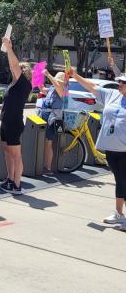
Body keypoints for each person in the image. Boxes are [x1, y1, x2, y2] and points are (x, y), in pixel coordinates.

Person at [69, 59, 126, 229]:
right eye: (119, 82)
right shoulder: (112, 94)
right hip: (111, 147)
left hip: (125, 149)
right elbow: (92, 87)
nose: (120, 84)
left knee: (124, 181)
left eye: (123, 82)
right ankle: (118, 213)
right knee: (119, 181)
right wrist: (75, 75)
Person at [0, 39, 33, 195]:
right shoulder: (14, 84)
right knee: (7, 152)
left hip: (13, 122)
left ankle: (17, 185)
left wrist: (9, 48)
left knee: (16, 155)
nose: (16, 70)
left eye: (21, 68)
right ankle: (10, 180)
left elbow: (14, 65)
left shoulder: (24, 83)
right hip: (6, 121)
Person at [40, 70, 65, 174]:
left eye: (58, 81)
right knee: (45, 142)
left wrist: (48, 75)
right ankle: (44, 165)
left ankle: (48, 167)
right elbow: (41, 89)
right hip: (45, 116)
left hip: (53, 118)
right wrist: (38, 76)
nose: (57, 82)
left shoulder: (62, 89)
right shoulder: (52, 88)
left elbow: (57, 85)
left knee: (48, 142)